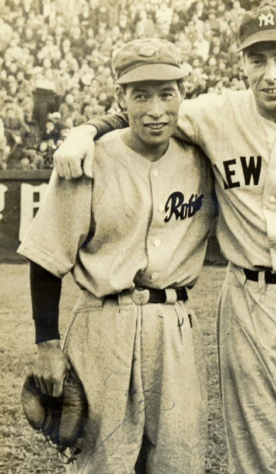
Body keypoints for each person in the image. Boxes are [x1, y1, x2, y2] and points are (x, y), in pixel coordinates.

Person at [54, 4, 276, 473]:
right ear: (241, 63)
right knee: (256, 456)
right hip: (247, 300)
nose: (271, 74)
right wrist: (85, 130)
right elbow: (145, 109)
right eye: (256, 60)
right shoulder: (214, 116)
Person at [20, 38, 215, 473]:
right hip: (103, 324)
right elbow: (47, 255)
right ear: (119, 98)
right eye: (140, 94)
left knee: (179, 461)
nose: (155, 109)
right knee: (103, 462)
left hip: (175, 326)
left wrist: (87, 127)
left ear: (184, 93)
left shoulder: (203, 156)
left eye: (167, 93)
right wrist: (47, 344)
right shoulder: (89, 160)